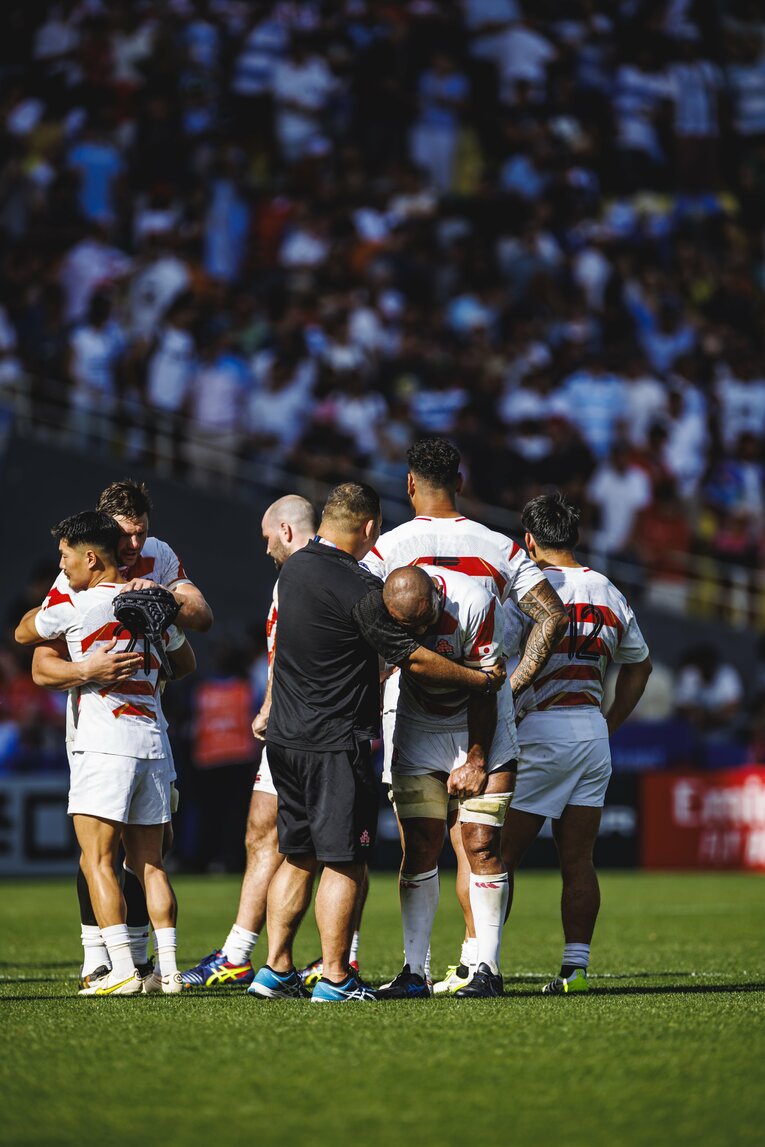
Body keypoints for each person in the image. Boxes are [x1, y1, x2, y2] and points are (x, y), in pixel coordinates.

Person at [251, 482, 506, 1003]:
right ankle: (337, 979)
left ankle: (274, 970)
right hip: (332, 740)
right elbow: (411, 656)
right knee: (344, 861)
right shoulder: (360, 589)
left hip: (285, 740)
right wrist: (480, 680)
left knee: (296, 855)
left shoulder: (294, 568)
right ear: (370, 528)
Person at [362, 436, 567, 993]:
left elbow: (357, 629)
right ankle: (417, 972)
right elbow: (552, 616)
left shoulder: (384, 550)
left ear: (408, 485)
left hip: (465, 708)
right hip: (434, 712)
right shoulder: (499, 546)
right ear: (462, 479)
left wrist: (497, 686)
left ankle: (483, 970)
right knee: (470, 845)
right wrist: (517, 685)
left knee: (433, 846)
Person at [16, 479, 213, 986]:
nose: (133, 545)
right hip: (148, 733)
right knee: (149, 860)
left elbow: (26, 637)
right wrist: (99, 668)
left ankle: (123, 965)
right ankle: (149, 968)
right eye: (123, 535)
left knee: (98, 852)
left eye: (139, 535)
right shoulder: (90, 586)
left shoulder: (94, 588)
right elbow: (186, 655)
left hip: (107, 735)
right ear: (104, 536)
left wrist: (161, 596)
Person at [501, 493, 652, 994]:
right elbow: (639, 665)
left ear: (529, 541)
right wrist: (609, 723)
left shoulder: (529, 587)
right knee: (579, 857)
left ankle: (482, 963)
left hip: (540, 728)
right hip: (590, 730)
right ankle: (576, 968)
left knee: (496, 857)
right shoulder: (607, 589)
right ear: (576, 537)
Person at [181, 494, 319, 988]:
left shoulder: (330, 571)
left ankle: (341, 959)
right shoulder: (289, 578)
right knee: (260, 831)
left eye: (266, 538)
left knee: (342, 849)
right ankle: (237, 954)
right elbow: (283, 652)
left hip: (324, 730)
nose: (264, 550)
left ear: (285, 530)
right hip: (285, 726)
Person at [375, 565, 516, 1000]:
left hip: (480, 723)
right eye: (409, 627)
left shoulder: (474, 602)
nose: (419, 631)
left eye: (424, 621)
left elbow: (486, 688)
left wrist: (476, 759)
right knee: (418, 847)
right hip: (418, 726)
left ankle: (487, 970)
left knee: (480, 843)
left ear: (437, 596)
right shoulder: (378, 610)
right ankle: (414, 971)